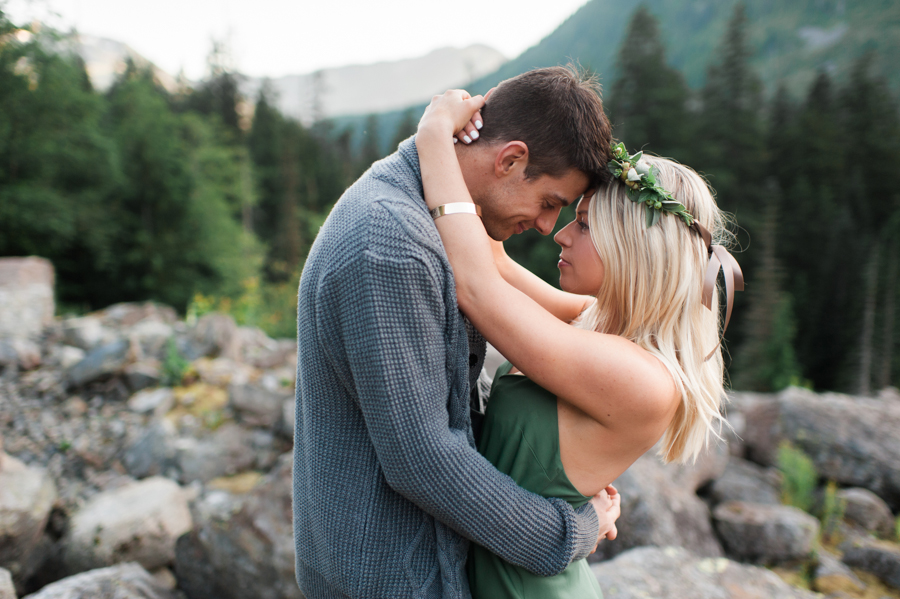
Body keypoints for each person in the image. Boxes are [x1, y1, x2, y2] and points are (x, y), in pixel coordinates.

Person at [293, 67, 621, 599]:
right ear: (511, 159)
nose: (545, 226)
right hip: (389, 577)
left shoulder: (428, 219)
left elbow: (442, 396)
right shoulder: (392, 243)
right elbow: (421, 458)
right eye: (550, 202)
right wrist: (568, 531)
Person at [415, 90, 742, 598]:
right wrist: (492, 158)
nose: (560, 234)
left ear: (634, 248)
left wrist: (434, 135)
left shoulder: (643, 378)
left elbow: (477, 287)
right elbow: (494, 263)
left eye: (584, 224)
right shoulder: (597, 323)